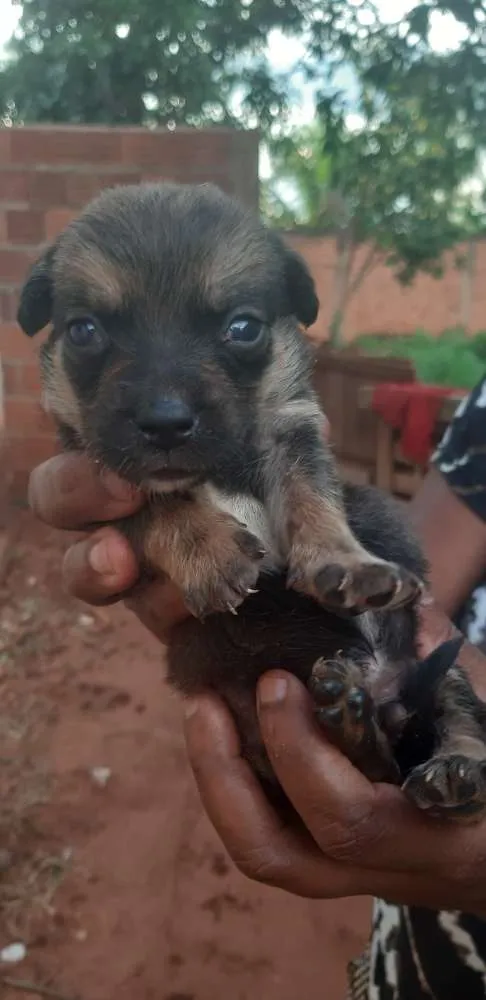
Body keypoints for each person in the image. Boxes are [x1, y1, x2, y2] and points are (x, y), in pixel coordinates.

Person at [28, 374, 486, 999]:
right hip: (417, 949)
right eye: (89, 333)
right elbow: (425, 564)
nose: (167, 395)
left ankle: (430, 750)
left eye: (239, 329)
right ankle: (387, 742)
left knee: (439, 704)